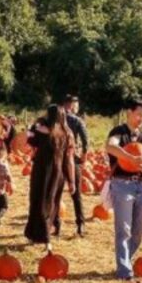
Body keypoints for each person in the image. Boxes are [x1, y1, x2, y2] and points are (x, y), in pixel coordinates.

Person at [106, 100, 142, 280]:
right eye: (139, 114)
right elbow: (110, 146)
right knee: (124, 229)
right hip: (122, 185)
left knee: (138, 231)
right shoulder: (119, 132)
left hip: (141, 185)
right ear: (129, 113)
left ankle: (126, 259)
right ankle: (124, 270)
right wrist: (129, 158)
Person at [25, 105, 76, 250]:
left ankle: (42, 236)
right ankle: (50, 230)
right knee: (52, 202)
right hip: (58, 173)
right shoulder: (67, 134)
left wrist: (33, 126)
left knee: (38, 201)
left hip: (42, 171)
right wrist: (71, 180)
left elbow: (29, 140)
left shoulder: (42, 131)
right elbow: (69, 159)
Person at [60, 95, 89, 237]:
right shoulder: (77, 120)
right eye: (76, 106)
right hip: (72, 158)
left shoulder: (54, 119)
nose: (77, 109)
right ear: (71, 106)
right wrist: (84, 155)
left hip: (57, 159)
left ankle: (55, 223)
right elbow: (85, 140)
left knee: (55, 192)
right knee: (76, 193)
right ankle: (80, 224)